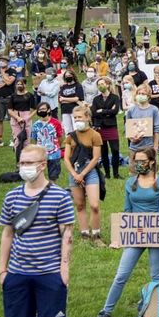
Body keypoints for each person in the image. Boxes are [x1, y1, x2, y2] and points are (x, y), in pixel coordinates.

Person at [0, 145, 75, 317]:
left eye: (29, 163)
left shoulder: (60, 196)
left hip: (49, 272)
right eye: (21, 163)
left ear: (42, 165)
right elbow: (7, 234)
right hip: (17, 272)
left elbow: (66, 235)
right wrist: (2, 271)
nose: (24, 167)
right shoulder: (12, 197)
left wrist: (64, 269)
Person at [91, 148, 159, 317]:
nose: (138, 164)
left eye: (143, 160)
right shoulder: (130, 183)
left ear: (151, 162)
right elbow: (127, 211)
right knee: (121, 275)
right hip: (134, 234)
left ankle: (156, 310)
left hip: (154, 233)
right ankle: (106, 311)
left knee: (157, 276)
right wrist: (119, 238)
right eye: (136, 160)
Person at [63, 105, 104, 246]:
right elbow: (66, 158)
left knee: (94, 205)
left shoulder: (95, 135)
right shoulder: (70, 136)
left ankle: (96, 234)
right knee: (80, 205)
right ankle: (84, 233)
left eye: (80, 117)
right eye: (75, 118)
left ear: (87, 117)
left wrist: (83, 174)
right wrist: (75, 174)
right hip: (74, 173)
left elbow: (95, 158)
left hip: (90, 172)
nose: (77, 120)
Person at [90, 78, 121, 179]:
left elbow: (115, 111)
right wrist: (108, 111)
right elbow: (94, 113)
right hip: (100, 127)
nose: (100, 86)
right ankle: (107, 174)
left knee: (115, 150)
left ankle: (116, 173)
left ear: (107, 85)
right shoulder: (96, 99)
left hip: (111, 126)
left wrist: (102, 110)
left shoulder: (115, 97)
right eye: (98, 84)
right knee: (103, 151)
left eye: (102, 83)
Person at [125, 84, 159, 162]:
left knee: (151, 171)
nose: (141, 95)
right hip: (134, 147)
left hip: (149, 147)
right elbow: (128, 128)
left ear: (148, 96)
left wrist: (155, 147)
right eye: (139, 93)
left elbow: (156, 130)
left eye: (143, 94)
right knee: (134, 171)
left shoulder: (154, 110)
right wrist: (132, 139)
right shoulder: (131, 110)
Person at [30, 104, 64, 183]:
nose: (41, 111)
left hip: (54, 153)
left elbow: (60, 137)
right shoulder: (36, 125)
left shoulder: (56, 123)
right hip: (40, 154)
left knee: (53, 175)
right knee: (38, 174)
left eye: (43, 109)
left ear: (48, 110)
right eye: (39, 109)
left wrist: (56, 147)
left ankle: (52, 189)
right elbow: (34, 139)